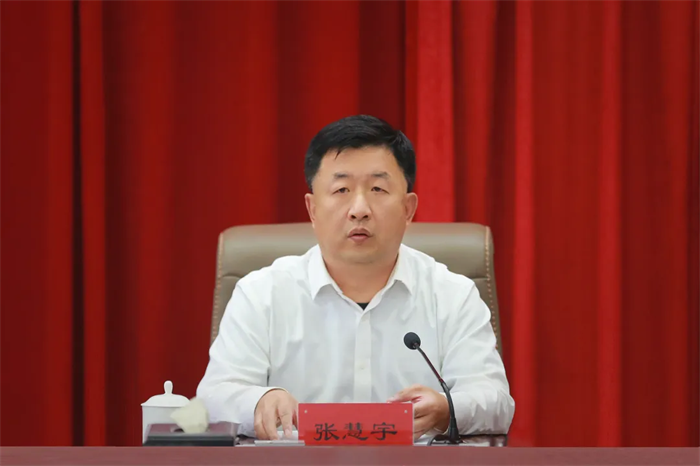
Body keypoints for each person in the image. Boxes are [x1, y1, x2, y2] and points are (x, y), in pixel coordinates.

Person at [196, 115, 515, 441]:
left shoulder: (452, 295)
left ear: (408, 209)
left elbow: (495, 400)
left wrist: (448, 409)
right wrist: (260, 400)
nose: (359, 209)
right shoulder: (261, 294)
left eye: (377, 189)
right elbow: (214, 396)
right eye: (341, 189)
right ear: (312, 209)